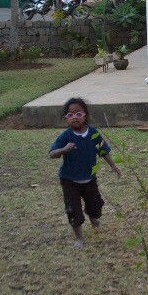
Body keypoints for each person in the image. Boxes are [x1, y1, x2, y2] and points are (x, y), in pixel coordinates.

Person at [49, 97, 121, 248]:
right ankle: (79, 237)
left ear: (86, 115)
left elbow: (103, 151)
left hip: (89, 179)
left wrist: (113, 166)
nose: (74, 117)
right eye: (70, 115)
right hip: (69, 180)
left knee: (96, 205)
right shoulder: (66, 136)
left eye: (78, 114)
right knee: (73, 210)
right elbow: (52, 153)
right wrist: (64, 149)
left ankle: (92, 215)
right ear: (66, 118)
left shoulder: (94, 133)